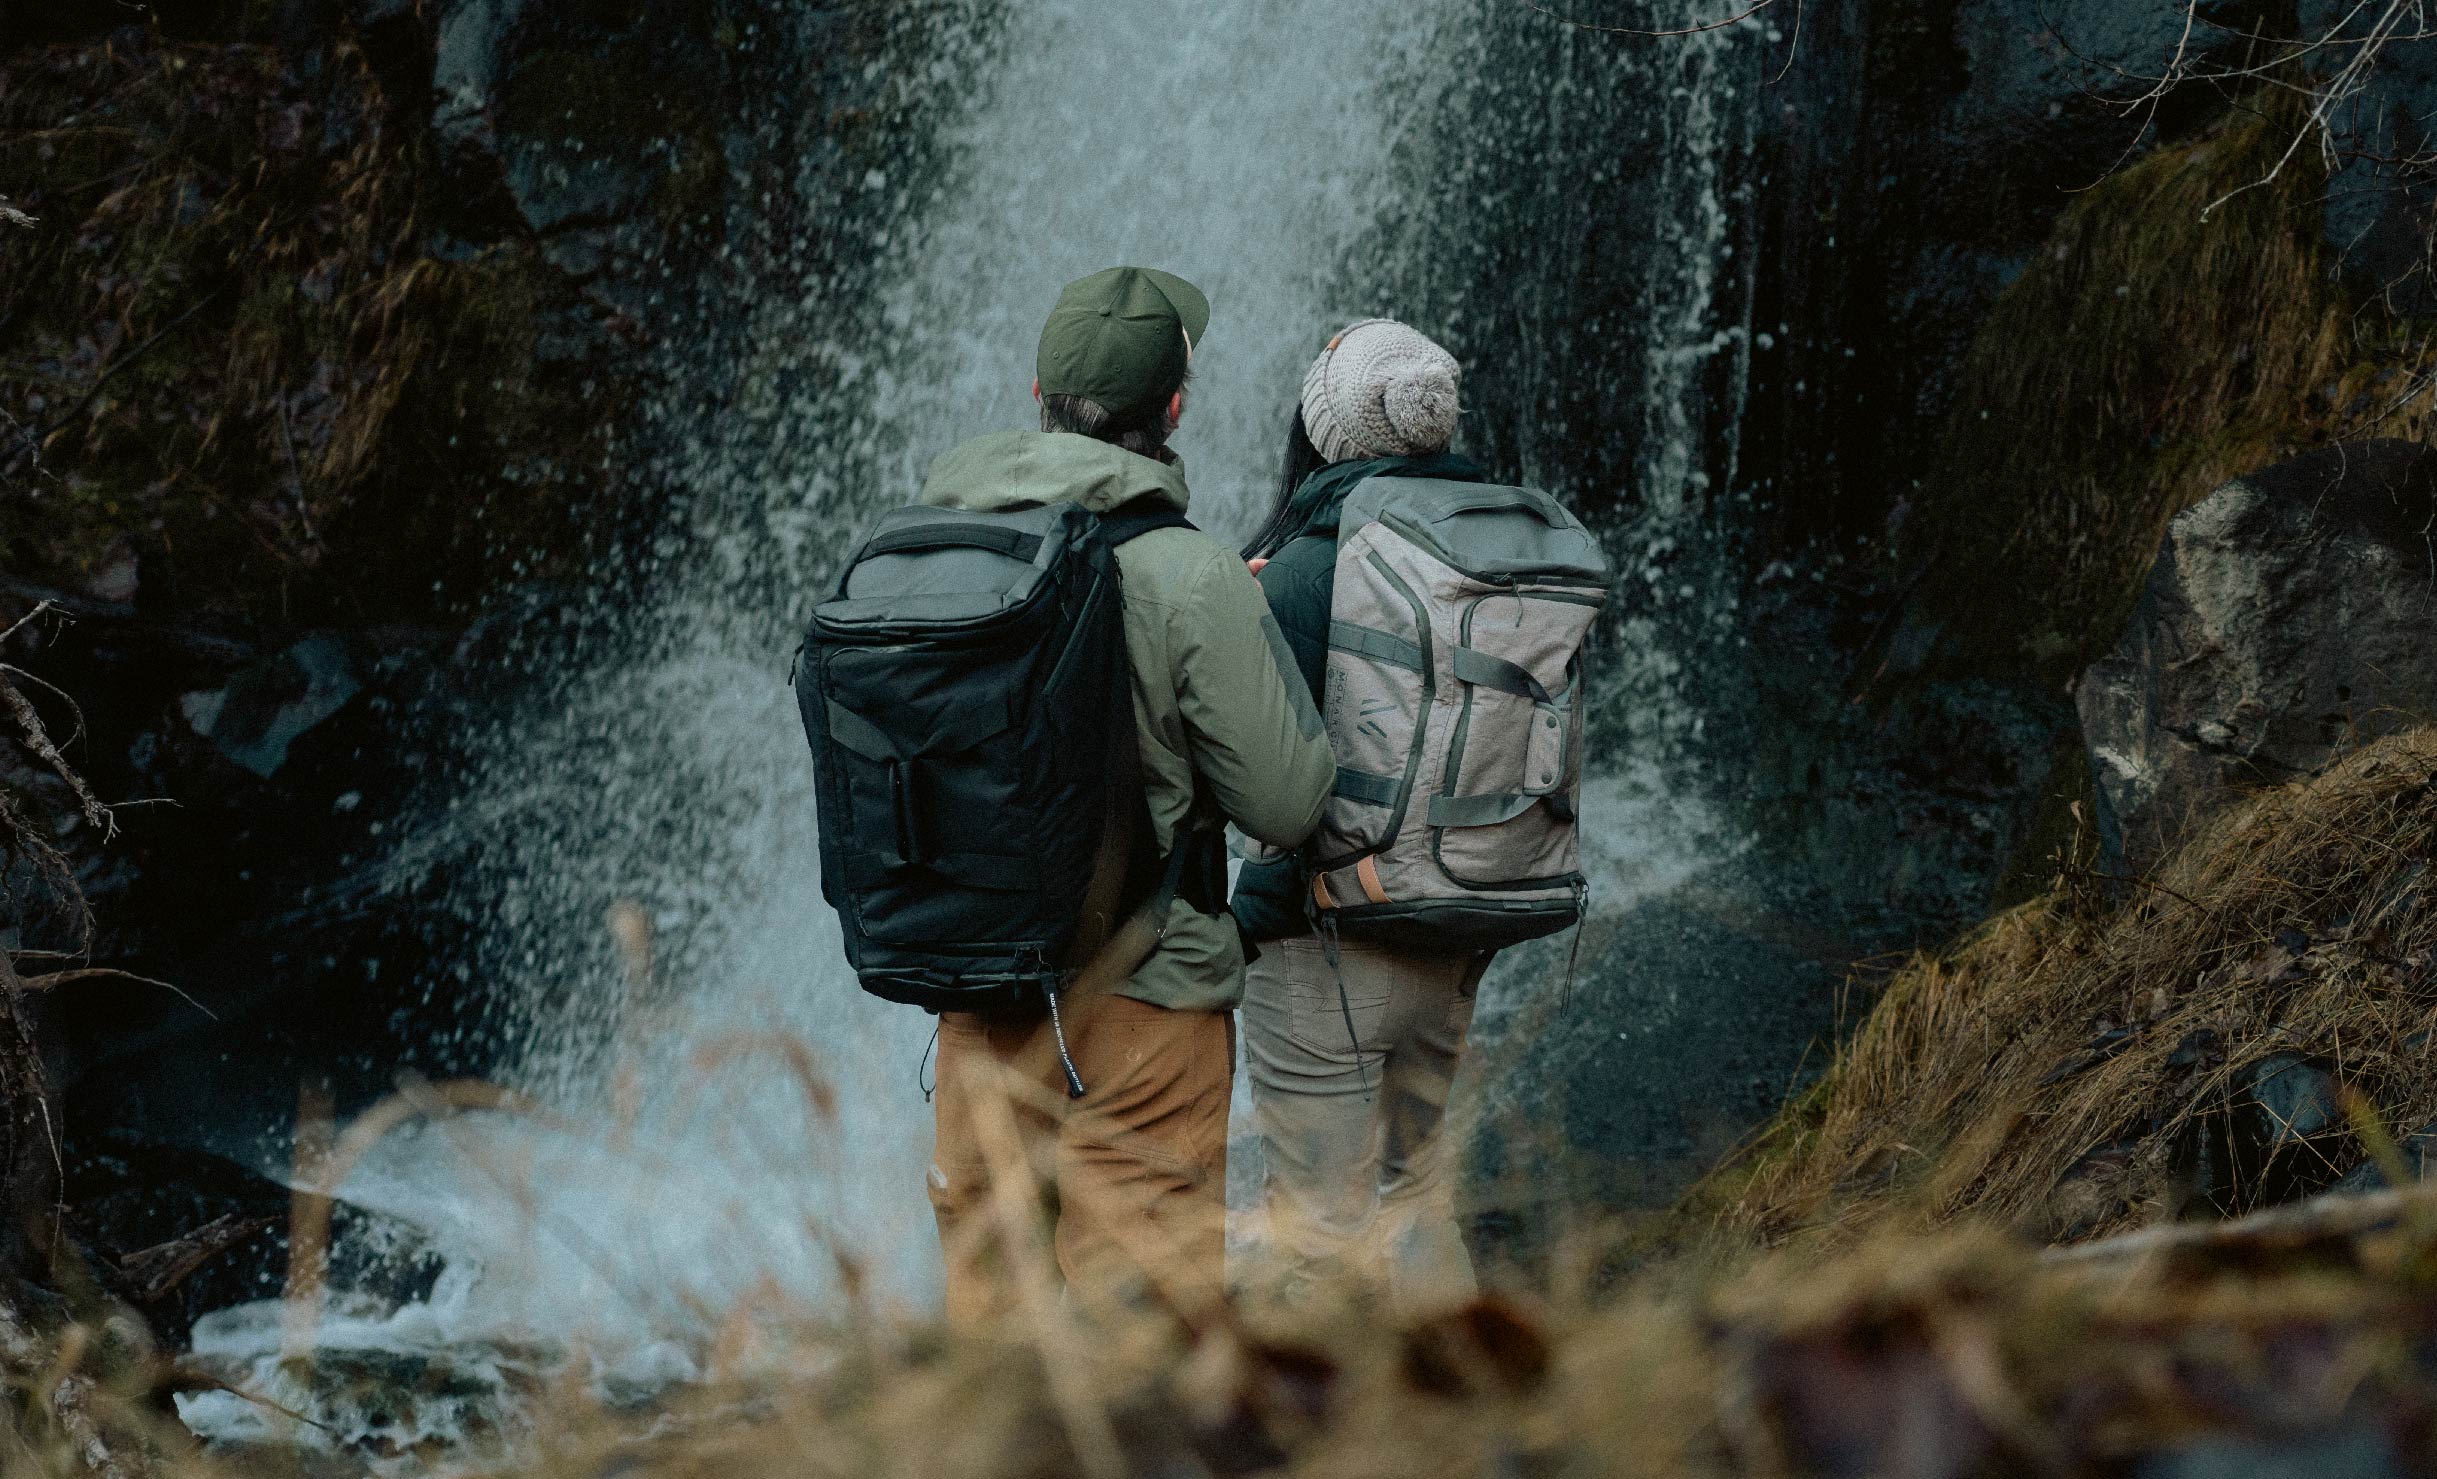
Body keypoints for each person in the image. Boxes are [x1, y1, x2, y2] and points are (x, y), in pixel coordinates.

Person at [920, 266, 1336, 1325]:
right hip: (1150, 1002)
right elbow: (1286, 806)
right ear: (1175, 411)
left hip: (978, 1004)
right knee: (1147, 1347)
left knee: (991, 1358)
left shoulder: (936, 555)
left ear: (1035, 395)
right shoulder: (1189, 573)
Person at [1232, 317, 1493, 1311]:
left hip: (1328, 943)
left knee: (1316, 1241)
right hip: (1462, 925)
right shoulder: (1491, 553)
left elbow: (1267, 786)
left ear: (1323, 434)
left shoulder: (1302, 572)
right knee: (1420, 1206)